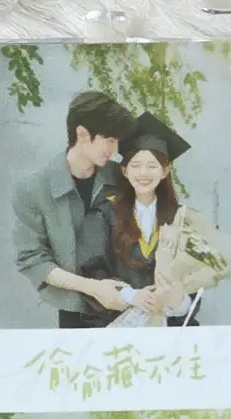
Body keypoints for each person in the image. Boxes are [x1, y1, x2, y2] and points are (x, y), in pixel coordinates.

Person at [12, 91, 137, 327]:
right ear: (82, 134)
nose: (115, 149)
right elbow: (33, 260)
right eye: (110, 139)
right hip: (75, 311)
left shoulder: (121, 177)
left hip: (129, 304)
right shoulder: (33, 190)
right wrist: (93, 288)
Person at [77, 111, 202, 326]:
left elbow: (195, 285)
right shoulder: (102, 216)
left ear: (165, 172)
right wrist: (131, 296)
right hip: (117, 329)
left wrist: (178, 301)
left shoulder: (183, 219)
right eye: (136, 165)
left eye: (152, 166)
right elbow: (90, 274)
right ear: (125, 171)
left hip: (171, 331)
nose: (143, 173)